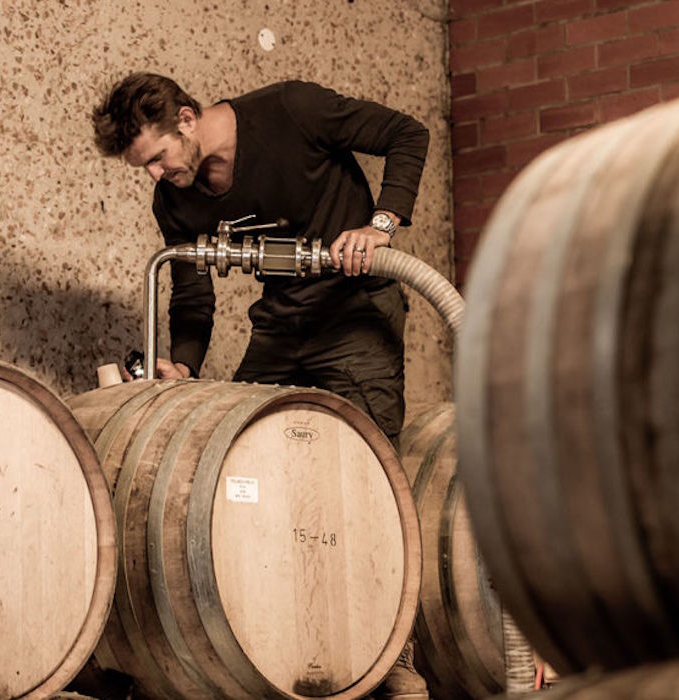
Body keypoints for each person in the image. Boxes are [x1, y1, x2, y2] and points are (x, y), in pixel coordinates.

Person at [92, 74, 430, 699]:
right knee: (227, 473)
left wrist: (380, 224)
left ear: (187, 120)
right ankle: (270, 640)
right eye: (143, 167)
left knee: (374, 487)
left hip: (356, 316)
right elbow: (193, 291)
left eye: (158, 157)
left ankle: (393, 659)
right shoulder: (176, 199)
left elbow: (407, 134)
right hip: (281, 324)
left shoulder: (291, 111)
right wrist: (185, 368)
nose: (155, 175)